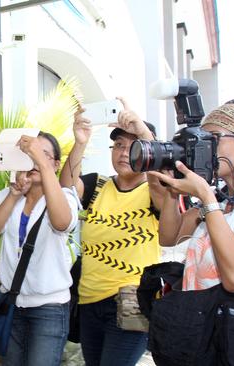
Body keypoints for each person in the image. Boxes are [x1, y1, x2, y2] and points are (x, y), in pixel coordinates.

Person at [149, 98, 234, 364]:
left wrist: (206, 198)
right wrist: (173, 187)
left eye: (214, 138)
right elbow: (169, 237)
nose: (206, 148)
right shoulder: (223, 200)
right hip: (203, 337)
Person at [59, 98, 164, 366]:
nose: (123, 153)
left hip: (132, 300)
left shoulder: (154, 190)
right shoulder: (96, 185)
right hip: (89, 298)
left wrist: (144, 133)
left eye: (133, 147)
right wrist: (80, 141)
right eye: (118, 145)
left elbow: (164, 178)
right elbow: (65, 190)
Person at [0, 132, 79, 365]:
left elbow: (61, 222)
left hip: (49, 309)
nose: (34, 161)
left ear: (55, 164)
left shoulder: (64, 196)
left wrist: (42, 164)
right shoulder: (7, 195)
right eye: (30, 154)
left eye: (43, 155)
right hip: (12, 303)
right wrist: (14, 196)